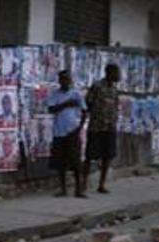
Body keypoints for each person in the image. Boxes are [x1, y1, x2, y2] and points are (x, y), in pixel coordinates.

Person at [47, 70, 87, 198]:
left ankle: (78, 189)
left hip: (72, 131)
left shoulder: (76, 94)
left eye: (67, 79)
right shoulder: (55, 94)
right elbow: (51, 109)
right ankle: (63, 189)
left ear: (70, 80)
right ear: (59, 81)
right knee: (61, 162)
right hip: (59, 131)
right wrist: (66, 104)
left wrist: (80, 127)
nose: (65, 81)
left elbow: (84, 111)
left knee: (76, 161)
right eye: (62, 79)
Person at [84, 64, 120, 194]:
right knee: (90, 156)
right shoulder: (97, 86)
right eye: (116, 73)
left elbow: (116, 107)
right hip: (96, 127)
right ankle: (83, 183)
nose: (118, 76)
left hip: (110, 127)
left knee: (107, 157)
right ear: (109, 73)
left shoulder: (115, 90)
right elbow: (88, 102)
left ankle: (101, 184)